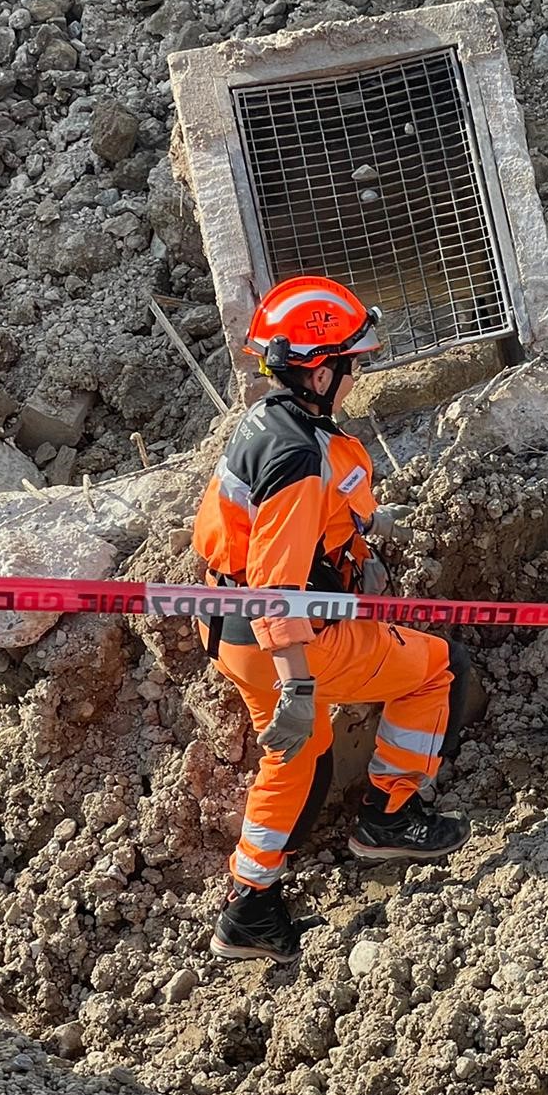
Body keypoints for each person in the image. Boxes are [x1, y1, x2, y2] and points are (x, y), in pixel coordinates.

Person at [191, 275, 487, 961]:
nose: (357, 374)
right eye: (352, 363)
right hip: (288, 640)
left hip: (234, 635)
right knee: (437, 670)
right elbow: (277, 586)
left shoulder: (271, 425)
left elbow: (270, 531)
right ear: (319, 371)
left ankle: (248, 907)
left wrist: (368, 522)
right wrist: (299, 686)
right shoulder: (298, 458)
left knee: (301, 759)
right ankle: (390, 817)